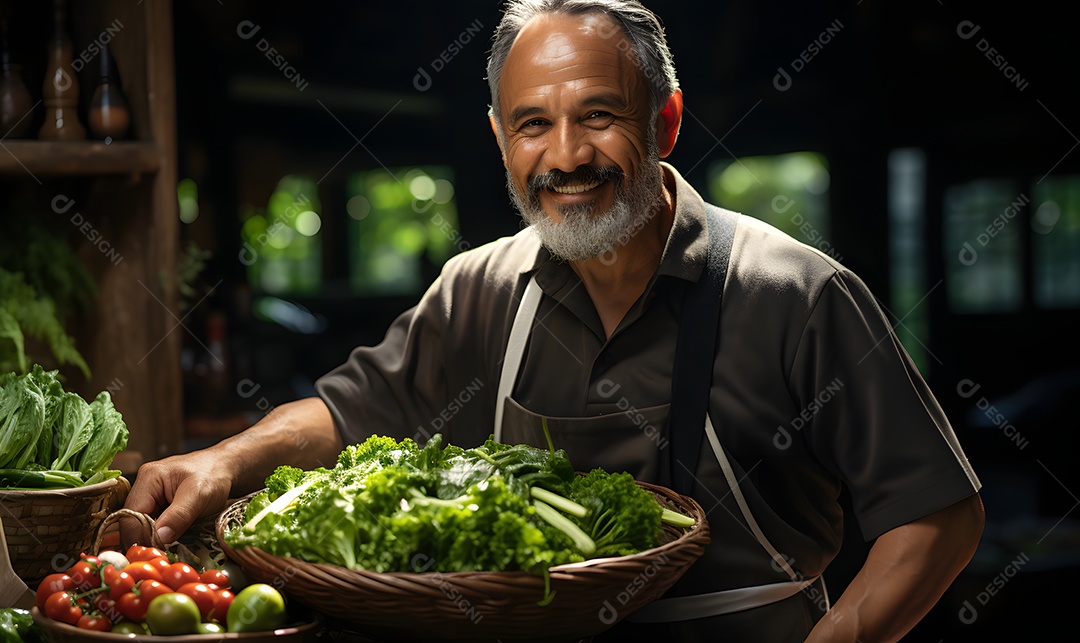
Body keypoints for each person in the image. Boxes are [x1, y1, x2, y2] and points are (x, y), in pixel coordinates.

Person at [127, 1, 984, 641]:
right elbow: (348, 414)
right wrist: (223, 458)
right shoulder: (480, 287)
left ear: (667, 122)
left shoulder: (796, 292)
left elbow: (938, 512)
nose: (565, 156)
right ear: (502, 138)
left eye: (599, 116)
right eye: (533, 124)